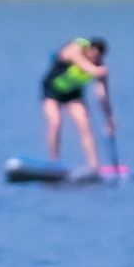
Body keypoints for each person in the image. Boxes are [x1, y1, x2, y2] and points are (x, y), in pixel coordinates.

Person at [39, 37, 114, 171]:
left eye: (98, 58)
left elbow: (102, 96)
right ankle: (54, 163)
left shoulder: (99, 66)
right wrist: (98, 71)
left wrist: (109, 119)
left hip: (73, 94)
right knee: (55, 122)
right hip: (52, 91)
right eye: (94, 55)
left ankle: (94, 166)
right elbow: (83, 65)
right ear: (89, 49)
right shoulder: (75, 49)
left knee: (84, 124)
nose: (94, 59)